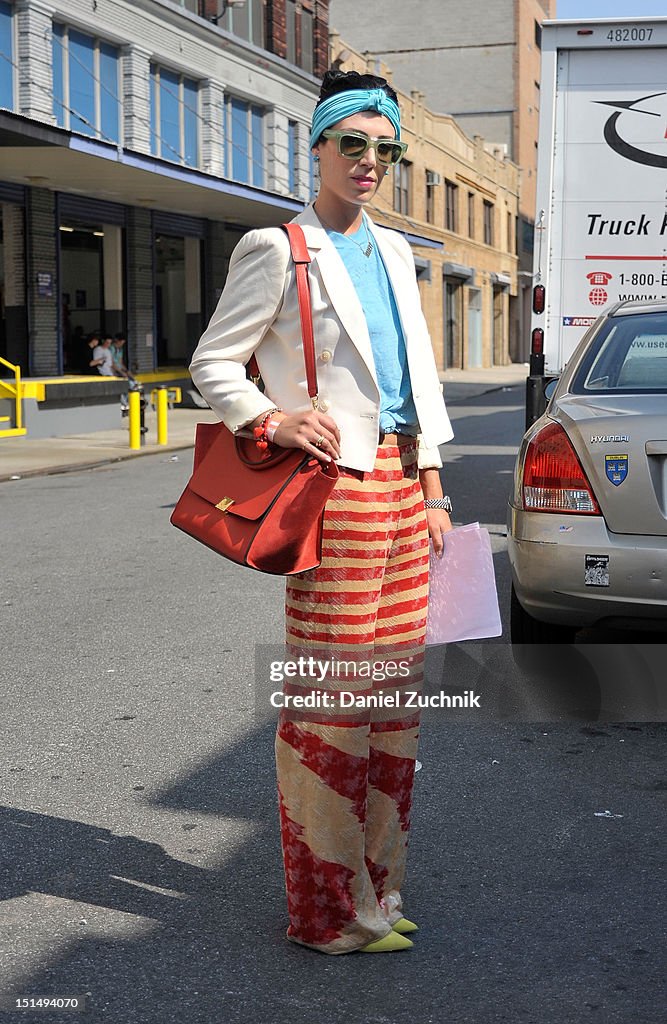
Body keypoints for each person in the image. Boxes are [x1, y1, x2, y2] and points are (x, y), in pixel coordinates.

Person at [189, 69, 454, 955]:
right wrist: (268, 417)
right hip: (331, 492)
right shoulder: (278, 246)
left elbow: (414, 382)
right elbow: (214, 363)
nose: (371, 162)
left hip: (400, 493)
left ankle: (378, 892)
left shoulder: (395, 250)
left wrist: (433, 488)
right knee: (330, 701)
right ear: (318, 147)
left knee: (393, 702)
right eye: (354, 144)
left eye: (386, 149)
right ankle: (325, 911)